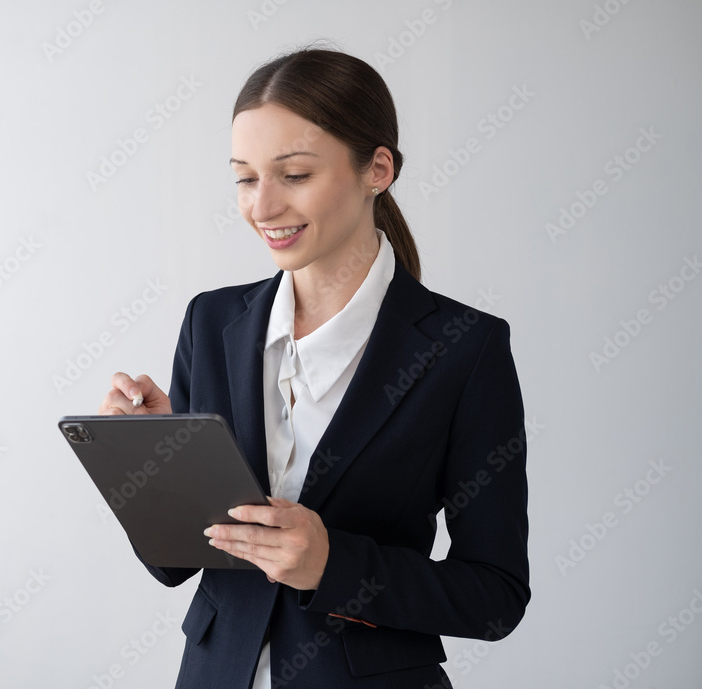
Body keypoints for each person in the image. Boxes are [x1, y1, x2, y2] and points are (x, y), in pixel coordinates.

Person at [98, 47, 530, 689]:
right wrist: (153, 462)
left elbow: (495, 598)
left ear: (377, 169)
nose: (262, 207)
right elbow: (175, 566)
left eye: (293, 174)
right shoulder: (212, 323)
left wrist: (335, 566)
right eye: (245, 178)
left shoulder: (465, 349)